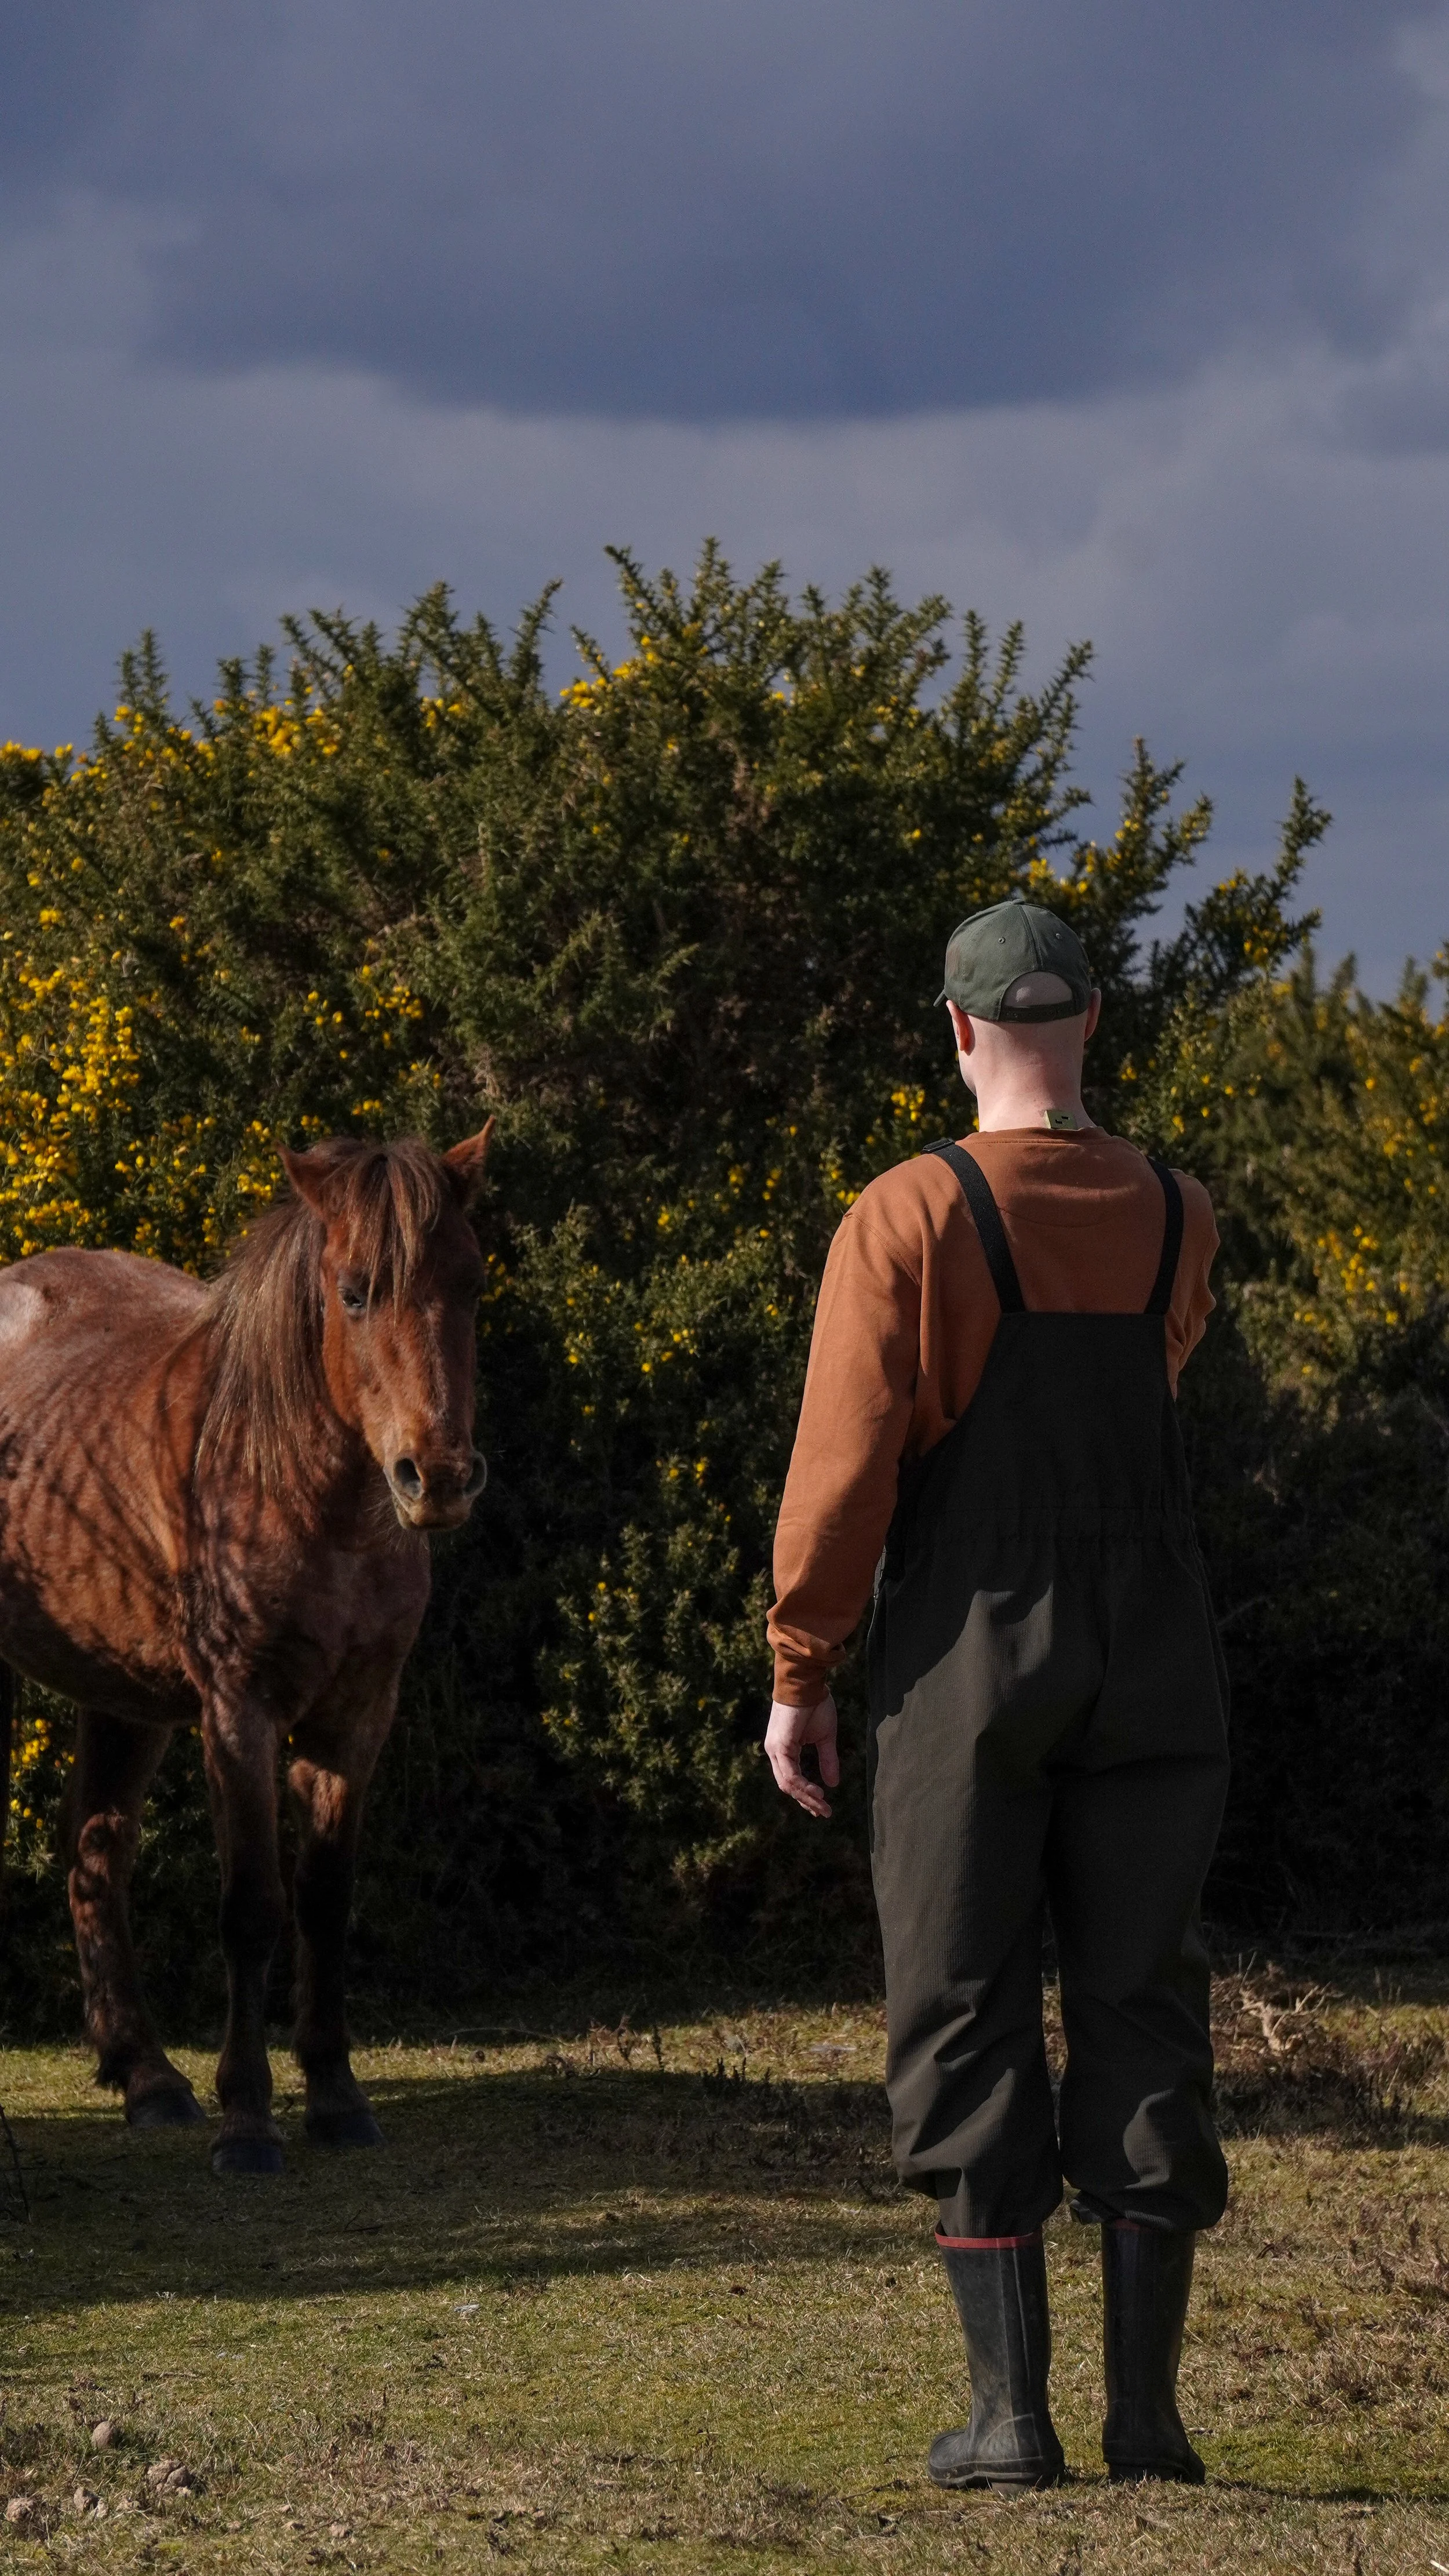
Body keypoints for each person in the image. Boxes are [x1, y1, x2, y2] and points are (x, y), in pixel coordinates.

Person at [764, 895, 1230, 2491]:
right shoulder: (1178, 1210)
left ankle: (1007, 2417)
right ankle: (1148, 2419)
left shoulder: (906, 1216)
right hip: (1156, 1645)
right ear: (1090, 1022)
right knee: (1142, 1994)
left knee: (962, 1998)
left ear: (957, 1031)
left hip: (970, 1648)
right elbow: (1155, 1377)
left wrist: (800, 1668)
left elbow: (843, 1475)